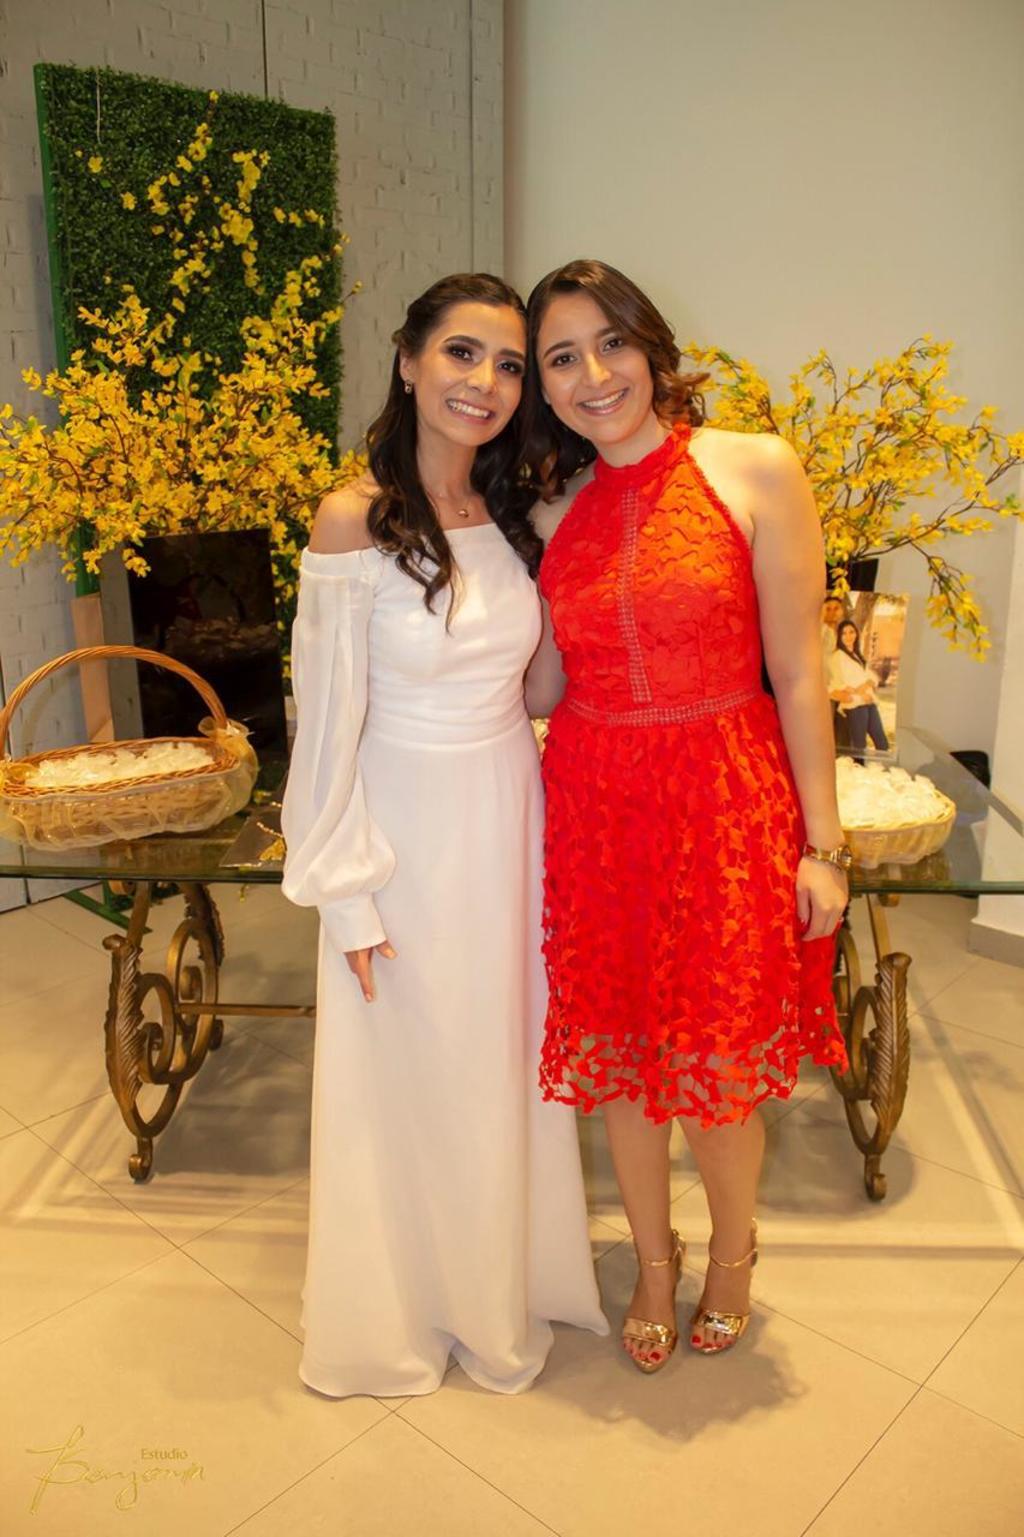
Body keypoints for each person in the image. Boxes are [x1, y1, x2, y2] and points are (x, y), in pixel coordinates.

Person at [280, 272, 607, 1399]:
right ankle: (411, 1303)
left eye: (509, 365)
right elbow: (324, 729)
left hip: (507, 821)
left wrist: (571, 573)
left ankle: (498, 1282)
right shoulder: (354, 518)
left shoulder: (512, 517)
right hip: (403, 838)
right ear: (409, 359)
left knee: (499, 1063)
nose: (486, 382)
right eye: (463, 353)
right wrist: (347, 895)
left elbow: (538, 689)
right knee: (413, 1073)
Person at [522, 259, 849, 1372]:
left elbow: (799, 674)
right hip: (596, 807)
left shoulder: (754, 468)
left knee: (714, 1071)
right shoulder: (551, 509)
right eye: (562, 358)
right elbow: (546, 684)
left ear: (652, 347)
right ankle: (653, 1267)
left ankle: (733, 1257)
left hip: (721, 800)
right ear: (544, 386)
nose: (593, 374)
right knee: (619, 1066)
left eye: (610, 343)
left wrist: (823, 844)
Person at [828, 618, 890, 752]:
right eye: (844, 633)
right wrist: (859, 693)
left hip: (869, 701)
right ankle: (857, 765)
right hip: (855, 704)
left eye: (851, 632)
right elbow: (837, 683)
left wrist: (868, 683)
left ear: (856, 633)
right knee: (859, 745)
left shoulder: (856, 655)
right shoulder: (837, 656)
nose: (848, 636)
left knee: (882, 742)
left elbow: (870, 676)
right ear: (839, 636)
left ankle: (885, 766)